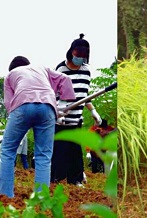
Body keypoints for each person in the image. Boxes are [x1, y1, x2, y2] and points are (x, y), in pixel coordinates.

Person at [0, 56, 75, 198]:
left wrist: (17, 124)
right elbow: (65, 79)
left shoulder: (10, 75)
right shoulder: (42, 68)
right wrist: (62, 106)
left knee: (8, 150)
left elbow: (9, 104)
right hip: (48, 107)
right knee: (43, 155)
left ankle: (4, 195)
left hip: (22, 106)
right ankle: (41, 197)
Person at [52, 34, 101, 188]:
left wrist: (93, 111)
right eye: (77, 55)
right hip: (61, 117)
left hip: (76, 118)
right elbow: (53, 92)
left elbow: (84, 94)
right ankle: (56, 180)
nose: (80, 58)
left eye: (83, 56)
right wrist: (57, 111)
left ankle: (76, 180)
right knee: (59, 151)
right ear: (71, 51)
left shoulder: (86, 71)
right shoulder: (61, 69)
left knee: (75, 152)